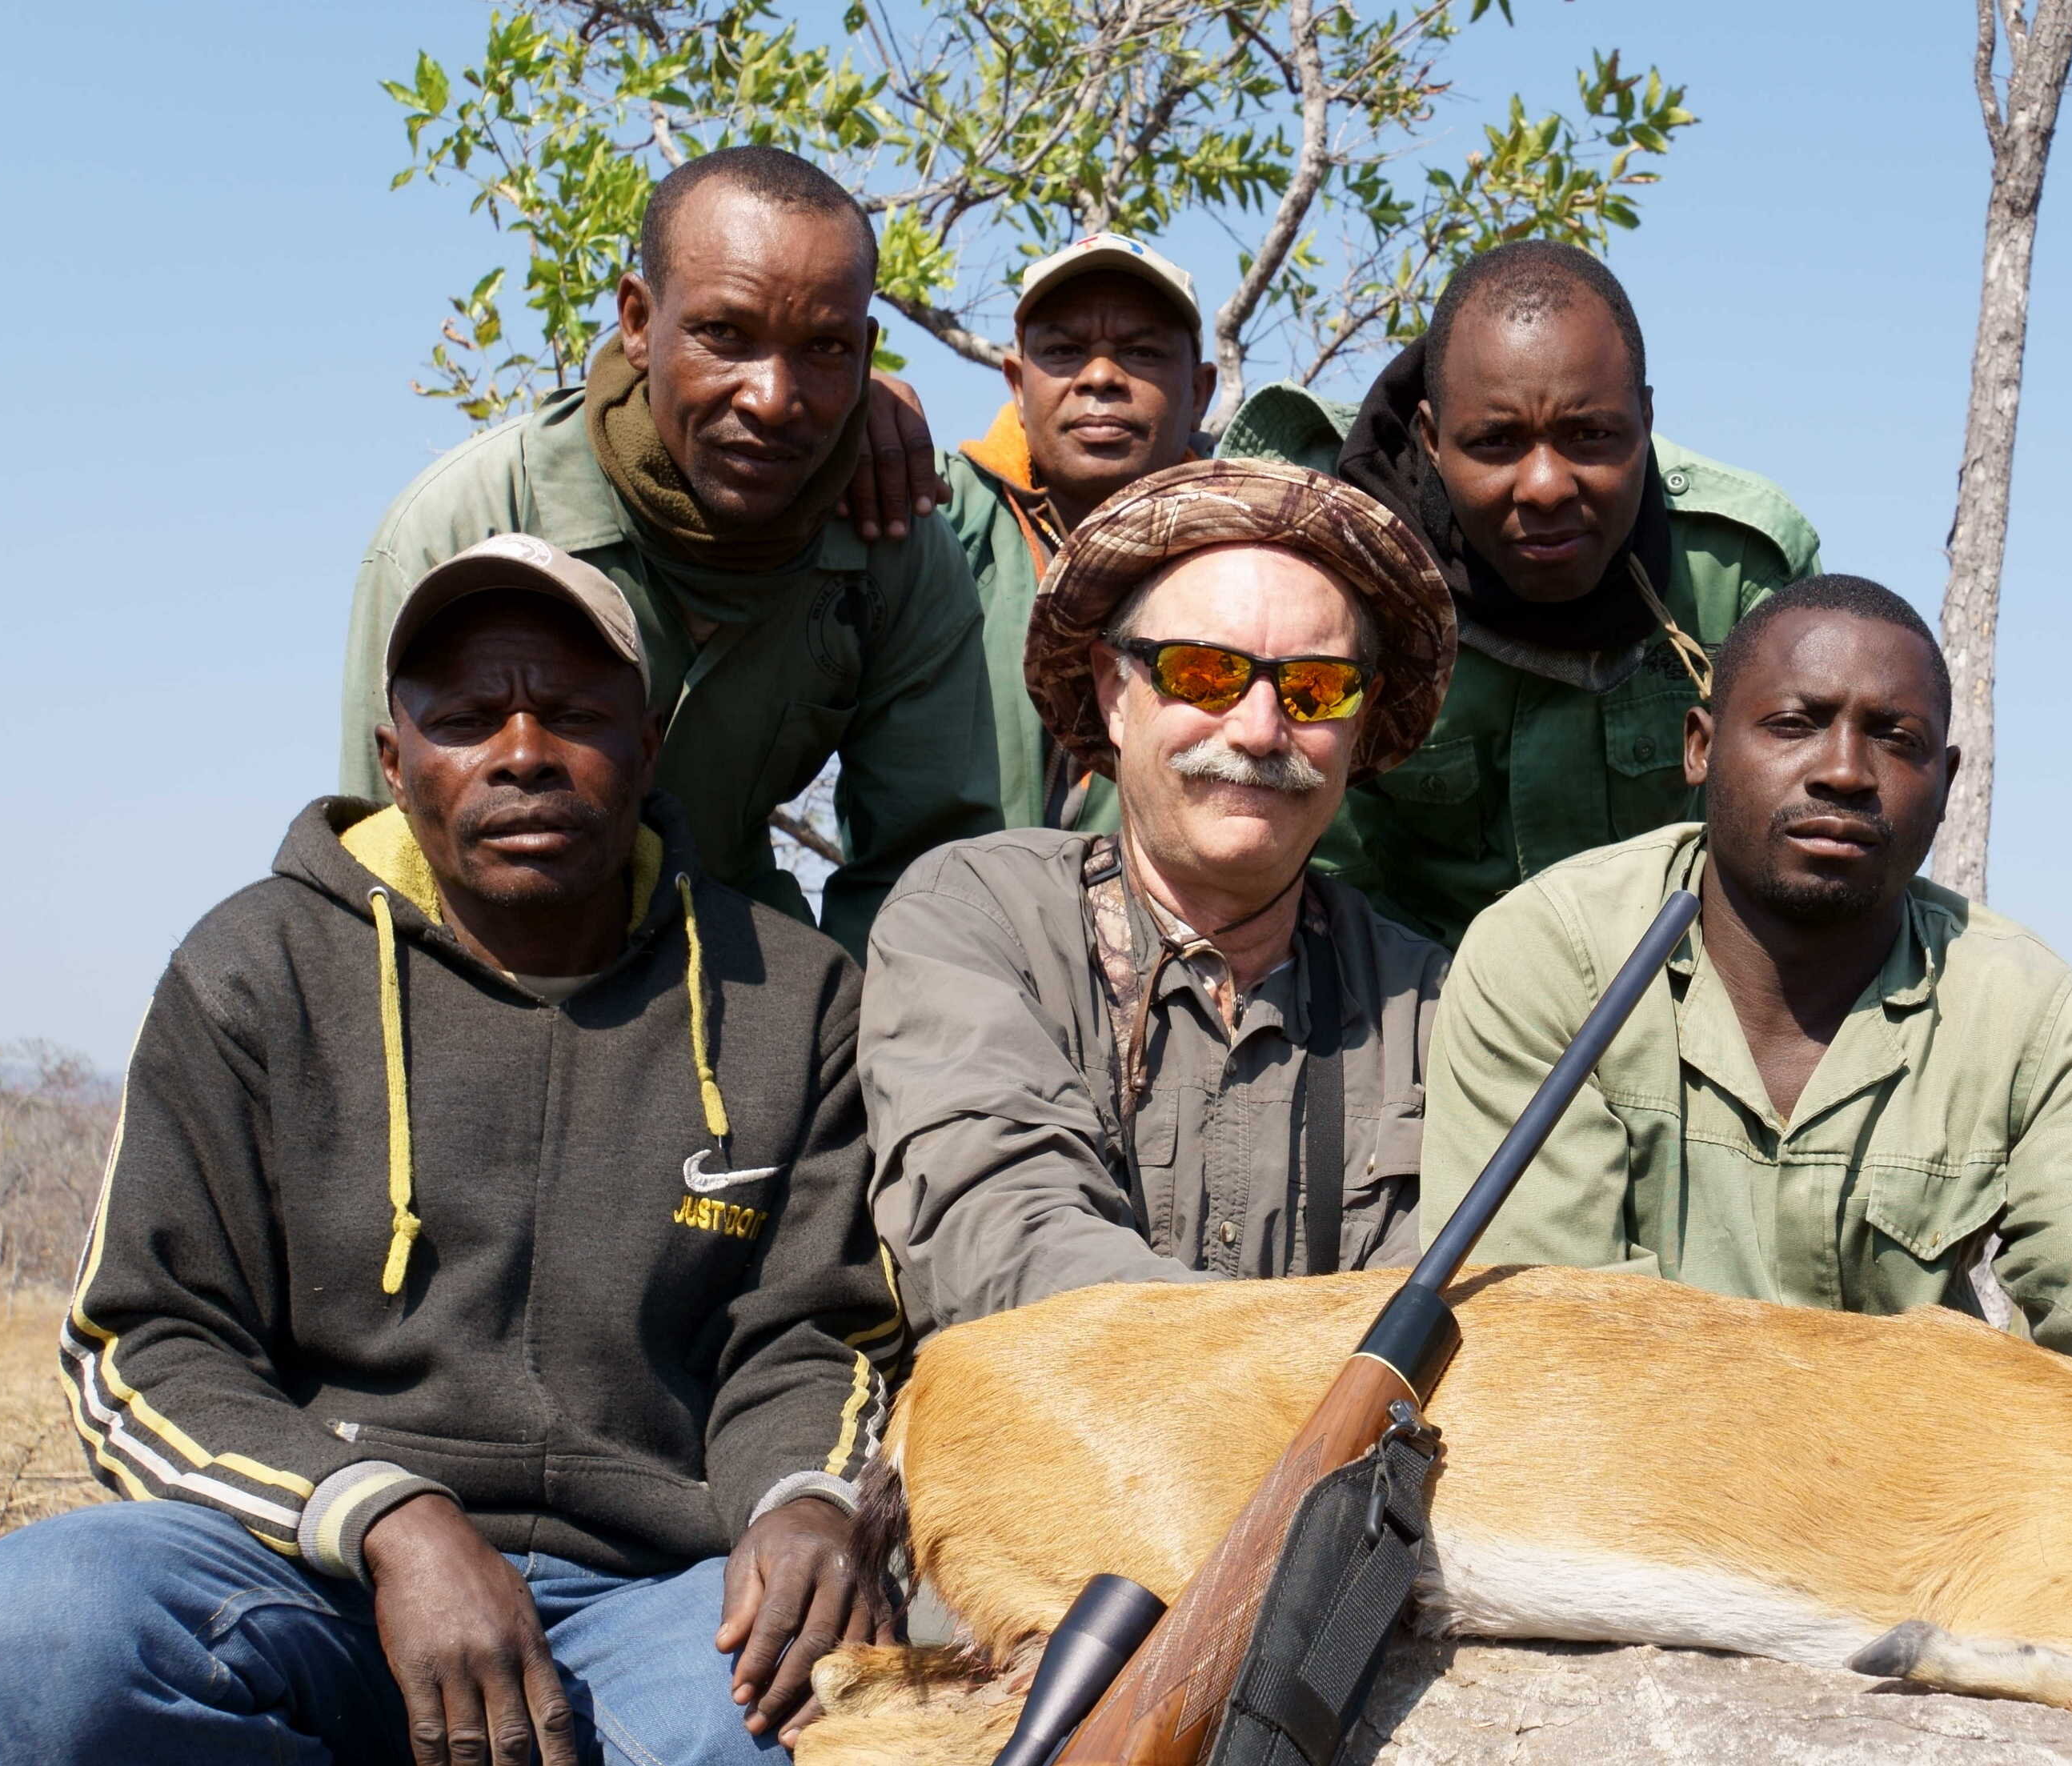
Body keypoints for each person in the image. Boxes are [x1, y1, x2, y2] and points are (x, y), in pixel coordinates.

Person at [0, 535, 895, 1766]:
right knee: (48, 1644)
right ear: (396, 759)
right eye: (466, 720)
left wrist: (801, 1500)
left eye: (574, 714)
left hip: (649, 1603)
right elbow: (144, 1342)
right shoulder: (254, 971)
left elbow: (812, 1332)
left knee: (791, 1764)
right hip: (329, 1597)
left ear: (649, 747)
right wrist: (385, 1519)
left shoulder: (791, 996)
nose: (523, 755)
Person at [1420, 575, 2072, 1368]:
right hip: (1607, 1500)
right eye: (1794, 724)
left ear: (1945, 783)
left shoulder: (2027, 1010)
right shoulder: (1550, 954)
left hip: (1905, 1514)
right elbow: (1547, 1333)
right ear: (1701, 748)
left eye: (1896, 740)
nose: (1842, 772)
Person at [339, 145, 994, 953]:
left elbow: (926, 880)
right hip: (495, 982)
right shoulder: (462, 524)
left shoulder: (896, 539)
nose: (772, 399)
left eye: (823, 348)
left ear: (863, 352)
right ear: (640, 323)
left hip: (750, 982)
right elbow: (388, 873)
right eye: (724, 334)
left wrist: (837, 1058)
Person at [859, 458, 1456, 1344]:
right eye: (1206, 675)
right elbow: (1001, 1239)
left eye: (1315, 688)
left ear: (1358, 725)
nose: (1258, 729)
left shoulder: (1436, 1005)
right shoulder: (974, 918)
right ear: (1114, 694)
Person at [1222, 239, 1819, 951]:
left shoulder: (1743, 570)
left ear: (1646, 421)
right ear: (1433, 440)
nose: (1545, 487)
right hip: (1391, 1011)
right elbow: (1288, 876)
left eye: (1590, 436)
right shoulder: (1325, 566)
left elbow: (1798, 864)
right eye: (1497, 443)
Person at [941, 233, 1219, 835]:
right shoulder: (932, 510)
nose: (1099, 377)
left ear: (1199, 393)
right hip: (925, 921)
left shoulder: (1254, 549)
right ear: (1017, 386)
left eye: (1142, 352)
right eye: (1064, 351)